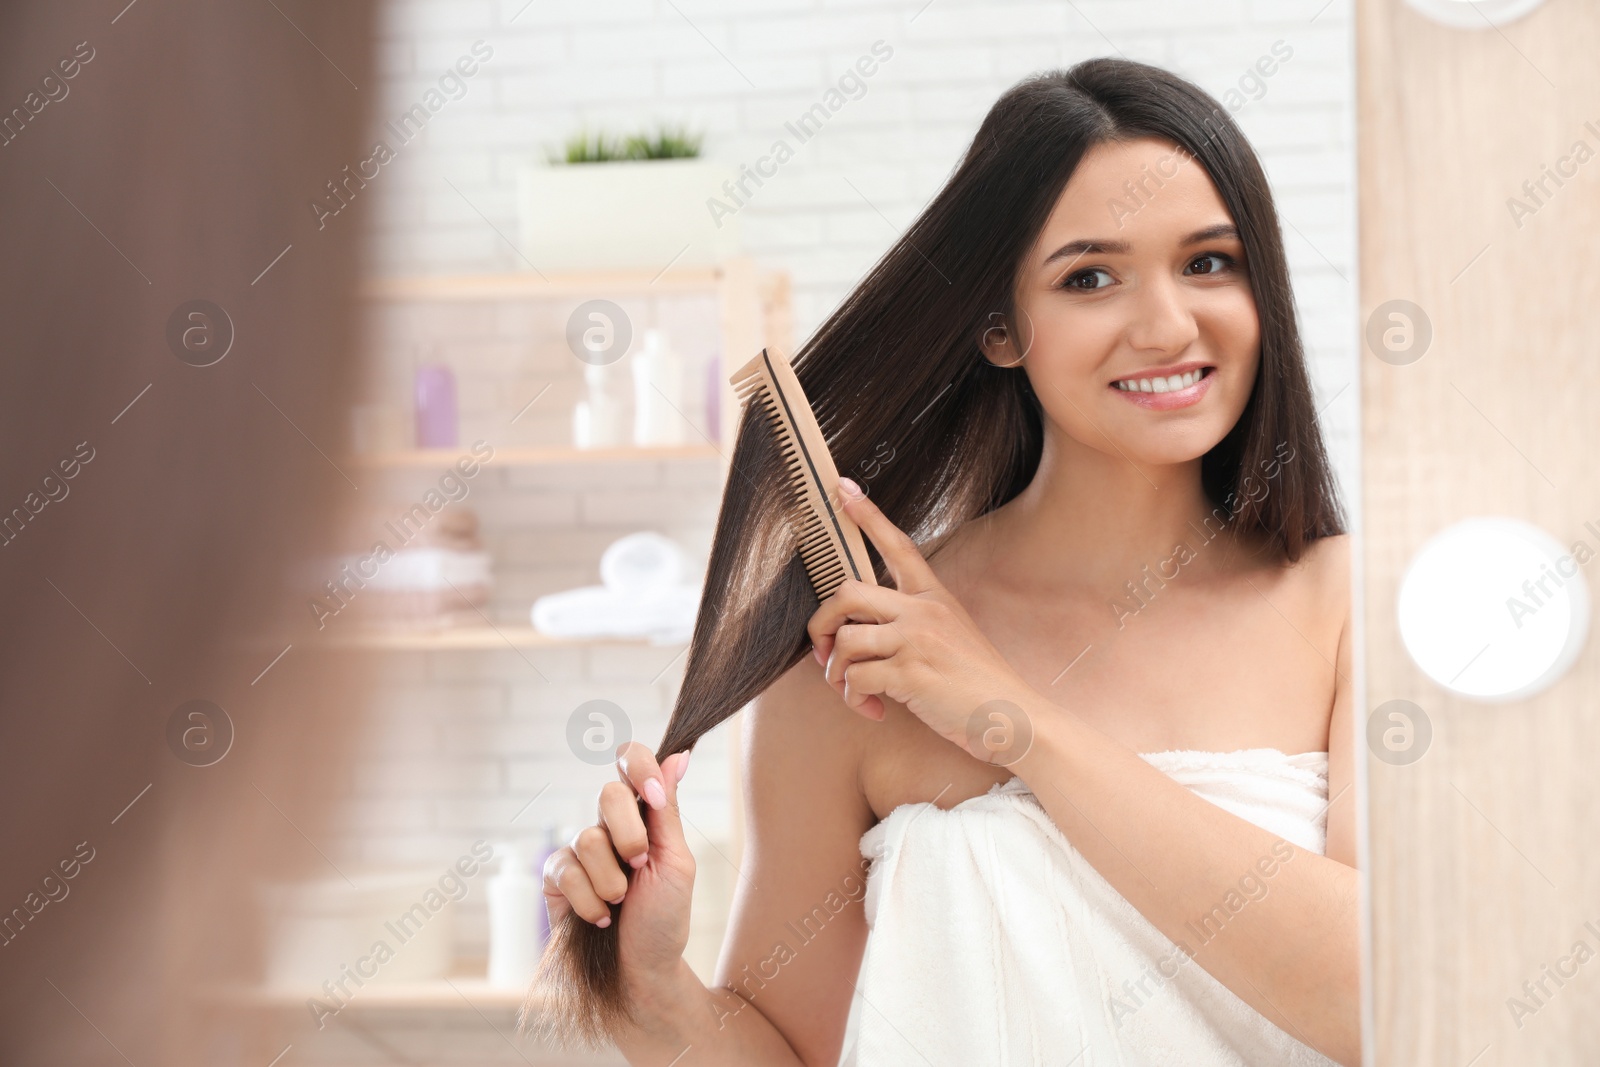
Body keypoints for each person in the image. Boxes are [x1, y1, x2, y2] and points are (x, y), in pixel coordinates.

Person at [541, 59, 1357, 1067]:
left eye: (1208, 262)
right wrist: (652, 993)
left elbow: (1387, 1000)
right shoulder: (860, 663)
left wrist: (1016, 724)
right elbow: (795, 1052)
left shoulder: (1350, 608)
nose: (1165, 324)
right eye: (1089, 277)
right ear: (1000, 327)